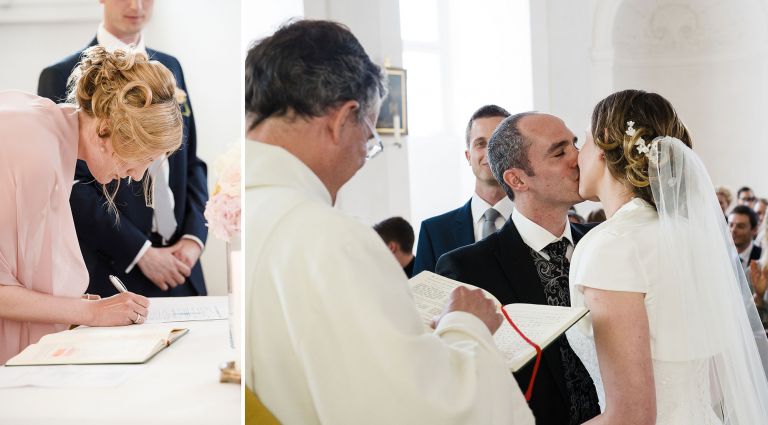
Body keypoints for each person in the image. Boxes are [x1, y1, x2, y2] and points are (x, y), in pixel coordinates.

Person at [245, 20, 533, 425]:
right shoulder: (332, 241)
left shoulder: (240, 214)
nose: (365, 154)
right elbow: (423, 410)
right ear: (343, 119)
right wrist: (466, 325)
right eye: (369, 136)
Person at [569, 89, 768, 424]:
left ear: (604, 143)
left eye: (584, 140)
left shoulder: (612, 244)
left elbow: (631, 416)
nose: (577, 155)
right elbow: (716, 383)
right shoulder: (691, 236)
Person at [0, 46, 183, 364]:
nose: (136, 175)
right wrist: (91, 312)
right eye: (142, 158)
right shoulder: (37, 153)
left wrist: (72, 303)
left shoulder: (46, 124)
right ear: (105, 130)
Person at [436, 112, 600, 425]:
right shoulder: (468, 269)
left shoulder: (602, 242)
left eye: (575, 145)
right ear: (517, 179)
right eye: (559, 151)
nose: (578, 158)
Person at [37, 0, 208, 298]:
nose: (136, 5)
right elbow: (69, 184)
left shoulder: (171, 67)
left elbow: (190, 162)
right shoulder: (62, 74)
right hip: (116, 271)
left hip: (182, 269)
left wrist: (194, 238)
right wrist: (141, 253)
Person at [413, 105, 513, 274]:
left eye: (499, 142)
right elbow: (422, 299)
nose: (490, 152)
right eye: (480, 144)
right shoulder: (434, 232)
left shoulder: (535, 223)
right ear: (468, 156)